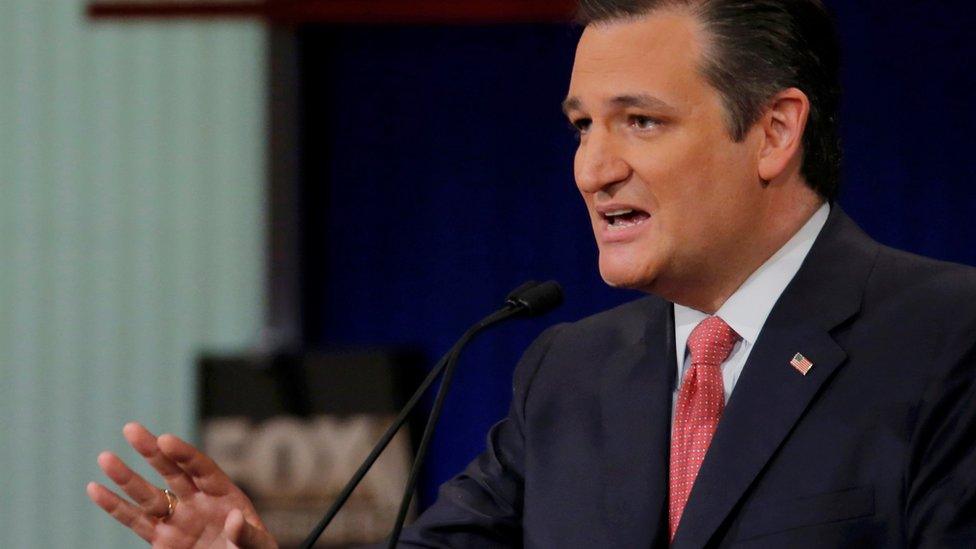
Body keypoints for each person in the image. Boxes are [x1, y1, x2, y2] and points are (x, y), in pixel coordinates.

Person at [87, 0, 976, 547]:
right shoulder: (569, 371)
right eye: (581, 125)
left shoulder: (945, 335)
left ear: (775, 132)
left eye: (639, 121)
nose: (593, 168)